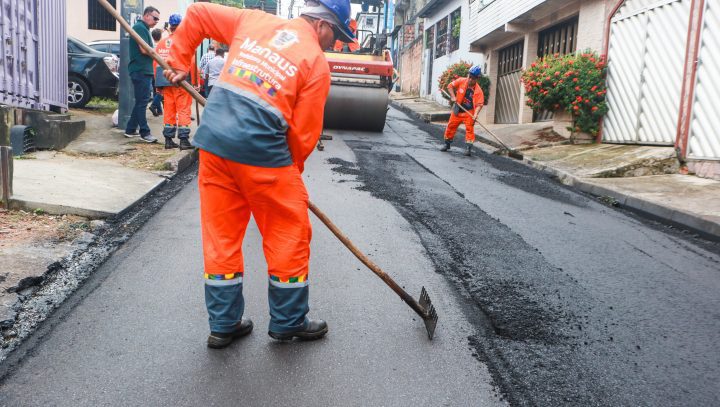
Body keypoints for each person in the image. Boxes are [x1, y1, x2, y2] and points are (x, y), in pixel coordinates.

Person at [164, 0, 354, 348]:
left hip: (215, 144)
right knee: (288, 233)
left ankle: (223, 324)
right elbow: (303, 135)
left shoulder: (253, 21)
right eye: (337, 37)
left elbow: (199, 14)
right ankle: (288, 321)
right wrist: (290, 179)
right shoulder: (315, 62)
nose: (334, 44)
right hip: (262, 153)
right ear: (324, 26)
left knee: (221, 236)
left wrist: (177, 60)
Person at [154, 13, 194, 150]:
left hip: (165, 80)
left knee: (169, 110)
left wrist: (157, 85)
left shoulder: (161, 43)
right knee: (183, 109)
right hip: (181, 81)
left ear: (170, 27)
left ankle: (168, 140)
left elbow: (156, 63)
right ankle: (183, 140)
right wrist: (195, 83)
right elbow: (191, 63)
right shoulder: (185, 42)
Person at [124, 6, 160, 143]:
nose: (156, 21)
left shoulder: (144, 29)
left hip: (142, 70)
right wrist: (155, 53)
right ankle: (145, 132)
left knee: (140, 101)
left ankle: (130, 129)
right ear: (146, 15)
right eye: (155, 18)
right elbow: (144, 50)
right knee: (142, 102)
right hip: (140, 70)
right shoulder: (140, 28)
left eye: (158, 19)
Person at [441, 65, 485, 156]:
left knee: (469, 129)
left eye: (472, 78)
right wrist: (453, 97)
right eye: (469, 77)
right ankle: (447, 144)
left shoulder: (478, 91)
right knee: (451, 126)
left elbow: (479, 105)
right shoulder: (461, 81)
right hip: (457, 109)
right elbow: (450, 86)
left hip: (469, 112)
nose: (469, 79)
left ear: (477, 78)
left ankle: (468, 148)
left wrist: (476, 114)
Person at [149, 28, 164, 117]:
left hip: (151, 69)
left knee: (156, 90)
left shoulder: (150, 45)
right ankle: (154, 105)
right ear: (160, 36)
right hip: (159, 69)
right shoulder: (161, 45)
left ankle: (159, 110)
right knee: (161, 91)